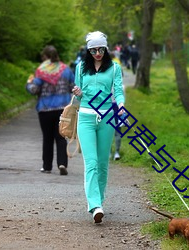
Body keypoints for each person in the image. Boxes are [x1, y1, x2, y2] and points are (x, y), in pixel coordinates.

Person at [72, 31, 125, 223]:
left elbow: (118, 91)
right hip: (85, 118)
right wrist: (77, 92)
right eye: (93, 50)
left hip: (107, 118)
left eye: (101, 49)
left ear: (106, 48)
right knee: (91, 163)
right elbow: (78, 97)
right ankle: (94, 205)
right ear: (88, 50)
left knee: (103, 164)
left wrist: (120, 106)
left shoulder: (114, 68)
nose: (97, 53)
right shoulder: (80, 68)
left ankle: (99, 201)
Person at [26, 45, 75, 175]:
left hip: (45, 109)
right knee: (61, 137)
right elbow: (73, 87)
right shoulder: (66, 70)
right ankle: (62, 163)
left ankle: (47, 166)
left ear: (45, 57)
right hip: (62, 109)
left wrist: (29, 83)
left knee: (47, 138)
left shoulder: (41, 71)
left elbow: (34, 90)